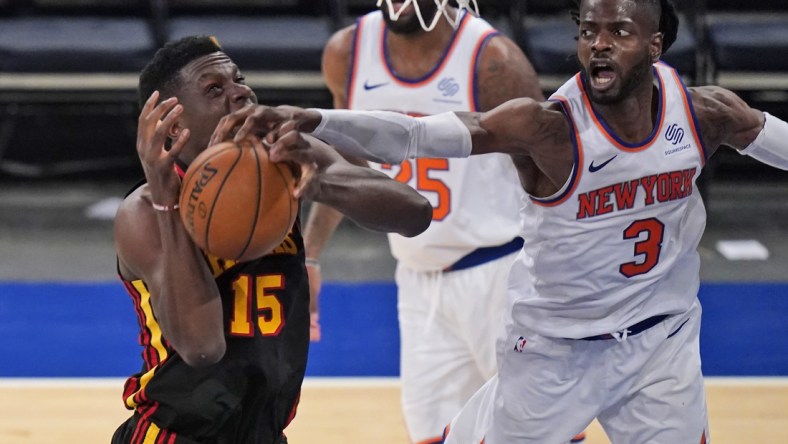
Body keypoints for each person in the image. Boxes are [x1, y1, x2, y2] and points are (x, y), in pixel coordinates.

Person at [212, 0, 788, 441]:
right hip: (553, 351)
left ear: (657, 44)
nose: (600, 46)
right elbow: (415, 135)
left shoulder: (705, 114)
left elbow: (774, 139)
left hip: (659, 345)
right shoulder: (546, 127)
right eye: (588, 32)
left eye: (619, 32)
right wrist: (313, 119)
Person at [111, 35, 432, 444]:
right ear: (175, 125)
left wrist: (317, 183)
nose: (240, 91)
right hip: (175, 435)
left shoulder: (283, 159)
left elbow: (414, 213)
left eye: (238, 80)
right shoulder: (143, 212)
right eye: (215, 89)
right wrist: (165, 199)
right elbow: (202, 347)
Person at [298, 2, 586, 443]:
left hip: (504, 275)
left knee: (543, 434)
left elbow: (557, 175)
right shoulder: (348, 52)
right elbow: (346, 168)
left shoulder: (494, 61)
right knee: (435, 436)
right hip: (418, 280)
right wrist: (311, 256)